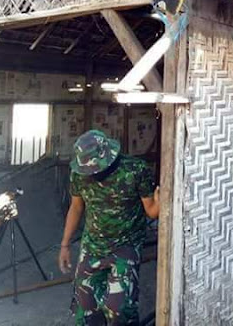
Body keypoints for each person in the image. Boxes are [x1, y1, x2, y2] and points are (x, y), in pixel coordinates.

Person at [59, 130, 160, 326]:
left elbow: (151, 211)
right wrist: (65, 245)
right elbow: (76, 207)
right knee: (84, 306)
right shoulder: (78, 174)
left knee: (119, 309)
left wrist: (160, 201)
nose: (92, 172)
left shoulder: (135, 170)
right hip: (92, 246)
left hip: (125, 246)